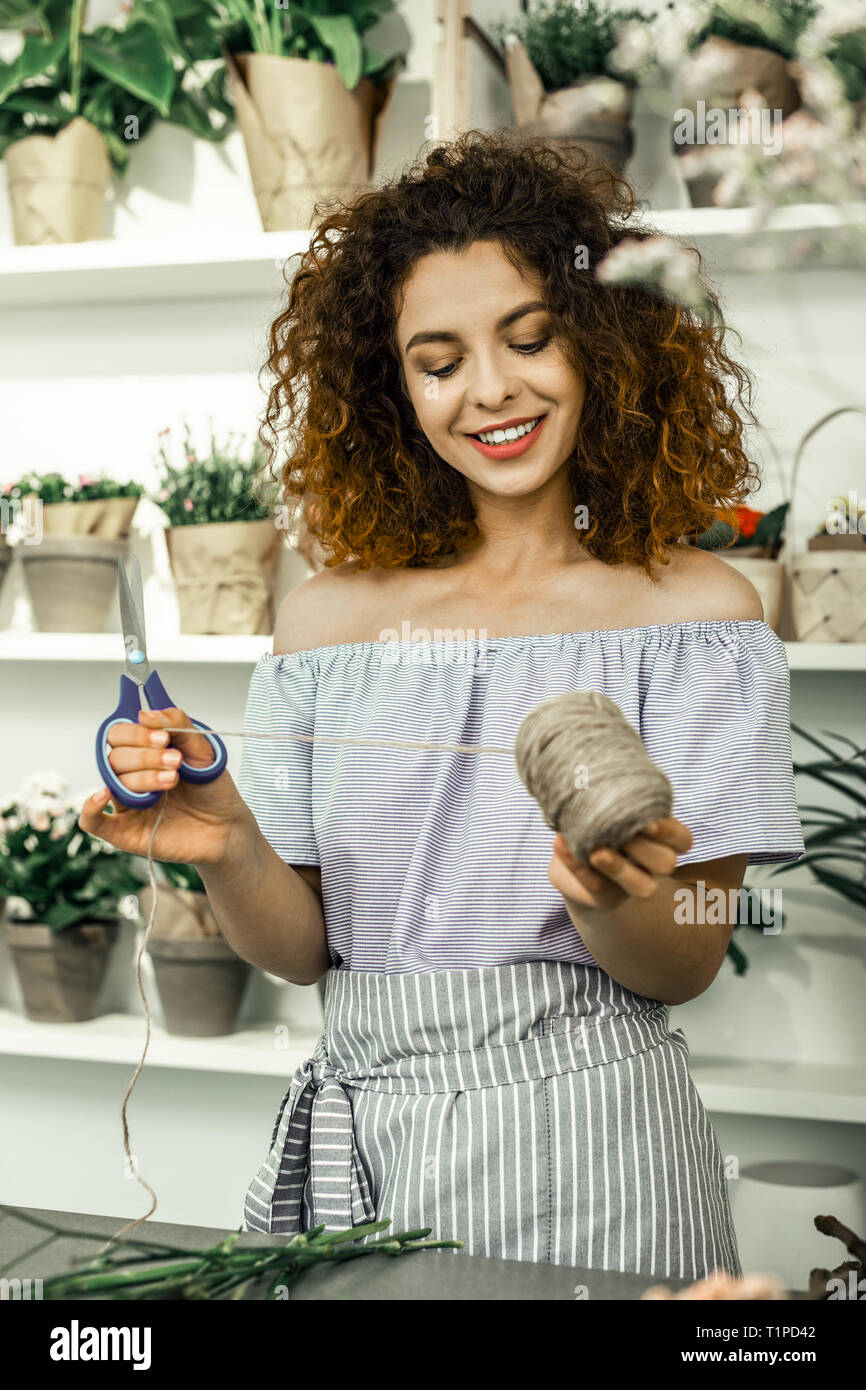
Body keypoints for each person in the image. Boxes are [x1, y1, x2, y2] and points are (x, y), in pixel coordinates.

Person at [81, 130, 805, 1281]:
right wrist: (223, 849)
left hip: (598, 1144)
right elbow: (303, 950)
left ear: (601, 345)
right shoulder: (327, 623)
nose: (490, 390)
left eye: (529, 339)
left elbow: (680, 965)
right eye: (437, 359)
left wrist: (615, 895)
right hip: (370, 1142)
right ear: (390, 387)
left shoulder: (698, 615)